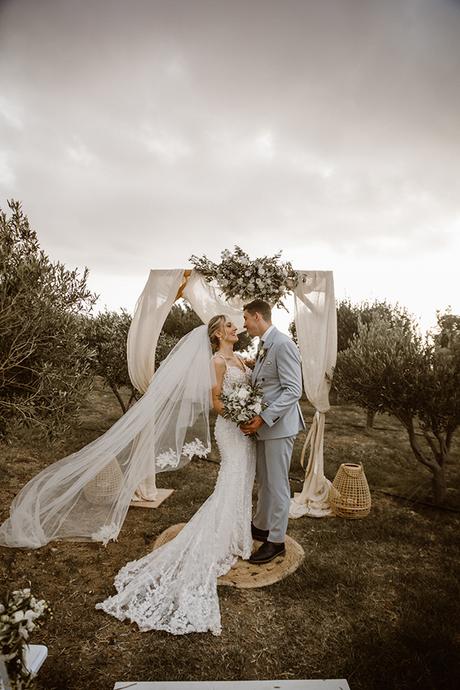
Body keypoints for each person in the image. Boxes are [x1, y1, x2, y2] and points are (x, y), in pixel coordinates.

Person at [95, 315, 256, 636]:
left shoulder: (239, 357)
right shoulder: (217, 362)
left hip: (245, 429)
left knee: (243, 481)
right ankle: (220, 539)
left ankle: (237, 535)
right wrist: (241, 415)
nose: (235, 328)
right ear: (217, 333)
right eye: (229, 326)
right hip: (231, 428)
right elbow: (215, 402)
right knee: (232, 478)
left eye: (235, 326)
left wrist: (250, 407)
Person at [241, 299, 305, 565]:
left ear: (257, 317)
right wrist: (254, 367)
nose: (243, 324)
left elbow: (293, 390)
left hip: (278, 427)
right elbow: (272, 380)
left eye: (245, 318)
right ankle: (261, 526)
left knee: (278, 485)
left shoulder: (283, 343)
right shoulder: (266, 344)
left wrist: (263, 418)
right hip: (266, 428)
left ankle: (276, 541)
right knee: (265, 481)